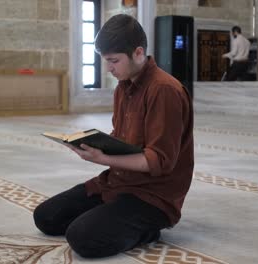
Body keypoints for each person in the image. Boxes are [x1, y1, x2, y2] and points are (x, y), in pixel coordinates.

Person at [33, 14, 194, 259]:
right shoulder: (124, 86)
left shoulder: (164, 90)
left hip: (152, 196)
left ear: (138, 53)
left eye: (114, 61)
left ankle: (148, 230)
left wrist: (101, 158)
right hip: (118, 183)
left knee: (82, 238)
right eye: (105, 61)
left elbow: (158, 161)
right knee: (46, 217)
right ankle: (112, 216)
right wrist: (89, 142)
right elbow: (121, 138)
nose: (109, 68)